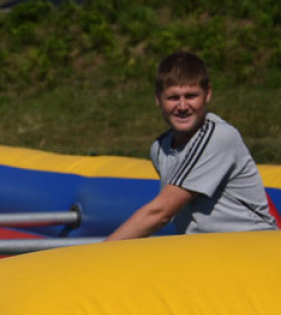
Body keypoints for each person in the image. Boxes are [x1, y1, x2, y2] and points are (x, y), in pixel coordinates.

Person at [106, 51, 276, 241]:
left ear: (207, 94)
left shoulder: (218, 137)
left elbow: (161, 213)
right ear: (158, 98)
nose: (182, 106)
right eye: (173, 98)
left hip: (252, 246)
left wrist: (102, 252)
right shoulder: (160, 148)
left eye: (191, 96)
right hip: (205, 252)